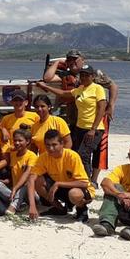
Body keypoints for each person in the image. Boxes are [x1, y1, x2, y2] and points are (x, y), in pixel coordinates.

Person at [43, 49, 119, 184]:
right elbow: (47, 78)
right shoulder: (65, 74)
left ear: (82, 60)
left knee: (98, 151)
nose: (72, 62)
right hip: (75, 120)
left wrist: (111, 105)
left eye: (75, 59)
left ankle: (92, 180)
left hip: (96, 120)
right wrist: (57, 62)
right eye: (69, 59)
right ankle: (78, 177)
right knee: (76, 149)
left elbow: (113, 86)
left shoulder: (95, 74)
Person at [36, 65, 106, 180]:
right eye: (82, 75)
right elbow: (63, 93)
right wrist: (46, 86)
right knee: (77, 154)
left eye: (86, 75)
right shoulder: (80, 89)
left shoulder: (97, 88)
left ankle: (85, 181)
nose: (83, 77)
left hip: (94, 129)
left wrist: (93, 129)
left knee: (83, 155)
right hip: (79, 127)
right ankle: (79, 178)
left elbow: (102, 108)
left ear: (92, 76)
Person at [27, 129, 95, 223]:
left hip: (79, 190)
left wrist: (58, 184)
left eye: (54, 145)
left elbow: (84, 183)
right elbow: (31, 179)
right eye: (48, 145)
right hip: (60, 189)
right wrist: (32, 206)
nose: (51, 148)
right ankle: (59, 208)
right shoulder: (43, 157)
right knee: (37, 180)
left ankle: (81, 209)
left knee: (74, 194)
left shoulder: (72, 156)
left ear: (62, 143)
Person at [0, 126, 38, 215]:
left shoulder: (32, 156)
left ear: (27, 141)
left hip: (30, 193)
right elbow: (13, 174)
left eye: (20, 141)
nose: (17, 143)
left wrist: (15, 188)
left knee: (26, 184)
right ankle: (20, 204)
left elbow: (26, 174)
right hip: (15, 190)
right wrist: (6, 182)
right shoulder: (13, 154)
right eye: (15, 140)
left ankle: (13, 206)